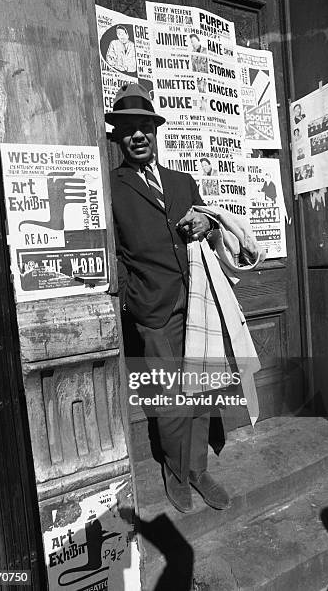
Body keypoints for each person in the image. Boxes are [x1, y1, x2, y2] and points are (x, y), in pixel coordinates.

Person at [106, 83, 230, 513]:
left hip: (198, 303)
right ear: (118, 138)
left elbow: (209, 225)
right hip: (154, 311)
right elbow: (112, 250)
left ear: (155, 132)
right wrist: (131, 297)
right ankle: (175, 472)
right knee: (170, 396)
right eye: (128, 129)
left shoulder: (182, 181)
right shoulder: (111, 187)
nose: (138, 136)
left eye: (145, 127)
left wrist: (206, 225)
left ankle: (196, 468)